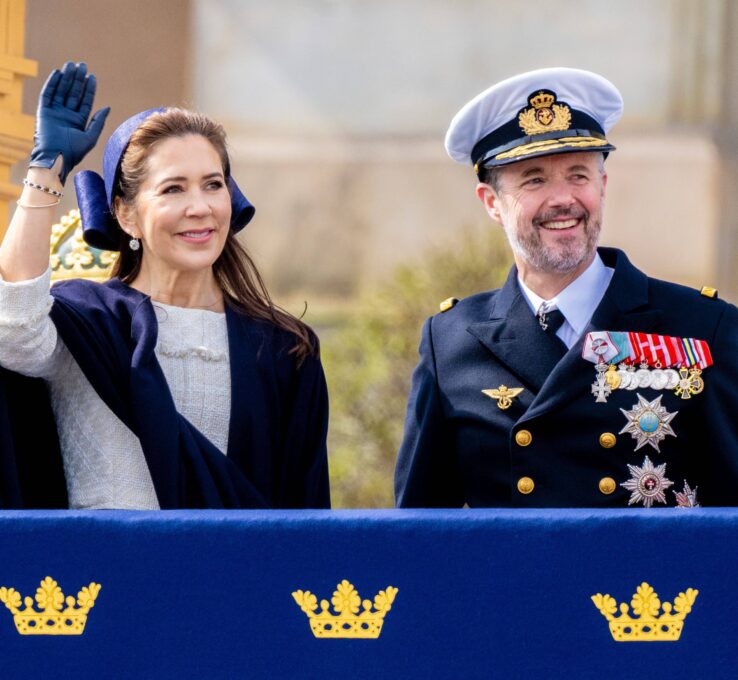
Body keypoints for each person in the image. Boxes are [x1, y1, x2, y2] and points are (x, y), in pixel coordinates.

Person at [395, 67, 738, 508]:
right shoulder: (450, 342)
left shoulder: (704, 327)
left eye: (578, 175)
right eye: (534, 179)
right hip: (516, 578)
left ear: (603, 185)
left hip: (649, 579)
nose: (563, 199)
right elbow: (420, 531)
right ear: (492, 203)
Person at [0, 62, 330, 509]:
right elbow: (12, 327)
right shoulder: (86, 322)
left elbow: (305, 515)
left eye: (213, 185)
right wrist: (46, 170)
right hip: (101, 576)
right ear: (125, 213)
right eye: (173, 189)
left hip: (233, 576)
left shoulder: (281, 347)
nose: (199, 207)